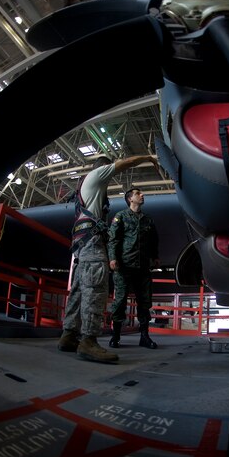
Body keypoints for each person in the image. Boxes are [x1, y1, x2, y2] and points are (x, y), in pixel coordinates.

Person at [57, 154, 159, 363]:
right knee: (96, 289)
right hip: (92, 243)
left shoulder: (86, 190)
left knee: (78, 290)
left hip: (81, 244)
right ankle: (89, 341)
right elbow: (125, 163)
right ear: (103, 168)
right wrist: (148, 157)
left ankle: (68, 335)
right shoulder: (97, 175)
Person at [108, 188, 160, 349]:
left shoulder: (147, 219)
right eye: (138, 193)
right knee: (120, 301)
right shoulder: (121, 216)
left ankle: (144, 337)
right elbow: (113, 239)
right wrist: (113, 258)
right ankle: (115, 336)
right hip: (124, 266)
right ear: (130, 199)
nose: (142, 195)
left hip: (143, 267)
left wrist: (155, 256)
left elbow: (153, 240)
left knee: (144, 302)